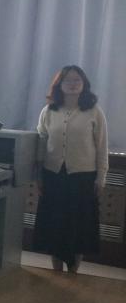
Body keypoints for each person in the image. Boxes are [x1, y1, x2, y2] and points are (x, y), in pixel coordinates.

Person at [35, 65, 108, 273]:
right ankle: (56, 271)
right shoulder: (49, 111)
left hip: (82, 178)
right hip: (53, 176)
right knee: (55, 225)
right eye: (68, 80)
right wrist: (38, 176)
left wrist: (101, 177)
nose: (73, 84)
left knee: (78, 226)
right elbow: (40, 144)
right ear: (59, 84)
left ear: (84, 84)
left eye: (77, 80)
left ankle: (73, 272)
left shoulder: (94, 111)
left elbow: (102, 147)